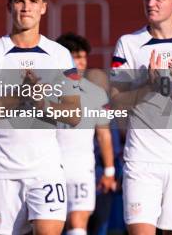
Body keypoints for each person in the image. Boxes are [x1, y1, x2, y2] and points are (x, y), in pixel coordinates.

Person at [0, 0, 82, 235]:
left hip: (45, 170)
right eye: (20, 0)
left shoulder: (59, 55)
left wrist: (43, 104)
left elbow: (75, 113)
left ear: (44, 7)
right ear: (9, 6)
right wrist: (20, 95)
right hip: (3, 171)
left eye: (33, 1)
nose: (26, 7)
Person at [110, 0, 172, 235]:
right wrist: (147, 84)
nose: (150, 3)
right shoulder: (129, 44)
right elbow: (117, 102)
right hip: (141, 160)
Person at [55, 33, 117, 235]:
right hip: (51, 167)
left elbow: (103, 134)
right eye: (75, 56)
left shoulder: (95, 93)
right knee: (51, 225)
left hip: (82, 168)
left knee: (78, 222)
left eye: (83, 57)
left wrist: (109, 171)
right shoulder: (46, 91)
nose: (80, 62)